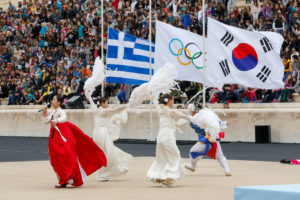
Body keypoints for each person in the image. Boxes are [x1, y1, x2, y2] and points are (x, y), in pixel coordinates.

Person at [41, 95, 107, 188]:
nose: (52, 101)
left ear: (59, 102)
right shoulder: (53, 112)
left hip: (63, 137)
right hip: (54, 137)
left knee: (66, 155)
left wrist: (56, 120)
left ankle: (69, 177)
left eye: (54, 99)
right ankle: (63, 179)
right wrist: (44, 114)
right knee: (55, 156)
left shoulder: (61, 111)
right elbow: (46, 121)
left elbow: (63, 118)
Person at [146, 94, 193, 187]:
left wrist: (153, 97)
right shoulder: (171, 111)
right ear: (169, 101)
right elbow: (184, 116)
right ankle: (169, 179)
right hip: (167, 137)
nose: (173, 101)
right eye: (173, 100)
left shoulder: (160, 111)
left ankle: (160, 175)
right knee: (174, 157)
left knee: (162, 157)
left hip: (160, 137)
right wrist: (195, 117)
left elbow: (156, 105)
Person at [184, 104, 231, 176]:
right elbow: (217, 124)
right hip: (213, 138)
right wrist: (223, 123)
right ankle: (227, 170)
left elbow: (199, 125)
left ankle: (192, 166)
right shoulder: (207, 117)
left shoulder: (195, 121)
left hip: (205, 140)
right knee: (220, 155)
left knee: (192, 151)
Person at [93, 97, 132, 181]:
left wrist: (89, 96)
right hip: (102, 133)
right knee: (109, 153)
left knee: (105, 153)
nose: (108, 104)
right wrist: (128, 105)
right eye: (107, 102)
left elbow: (92, 103)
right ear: (102, 103)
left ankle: (102, 173)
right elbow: (116, 109)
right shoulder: (104, 111)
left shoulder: (95, 110)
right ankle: (103, 174)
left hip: (96, 134)